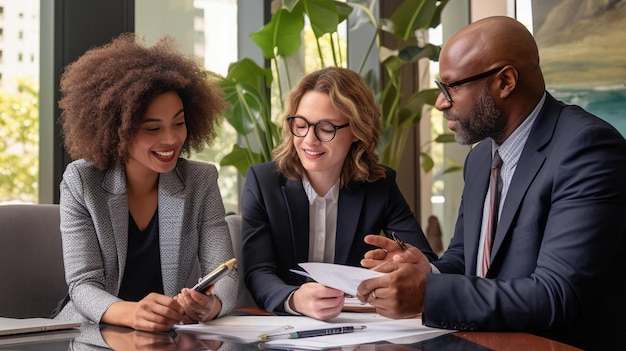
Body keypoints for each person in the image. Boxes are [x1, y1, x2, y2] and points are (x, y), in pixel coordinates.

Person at [356, 16, 626, 350]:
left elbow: (556, 295)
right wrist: (428, 272)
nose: (441, 102)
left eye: (450, 87)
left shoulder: (587, 149)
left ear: (505, 81)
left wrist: (428, 293)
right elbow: (465, 259)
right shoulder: (481, 157)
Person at [54, 33, 239, 332]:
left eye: (178, 123)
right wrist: (132, 313)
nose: (170, 139)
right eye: (152, 128)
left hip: (165, 335)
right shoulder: (82, 181)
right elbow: (82, 285)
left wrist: (211, 305)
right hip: (92, 331)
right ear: (118, 130)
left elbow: (226, 273)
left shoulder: (200, 180)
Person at [240, 67, 437, 320]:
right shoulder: (263, 182)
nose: (309, 140)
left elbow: (422, 260)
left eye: (326, 128)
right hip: (285, 327)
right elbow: (258, 270)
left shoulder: (380, 184)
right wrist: (294, 299)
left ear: (357, 130)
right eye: (300, 125)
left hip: (358, 326)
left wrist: (399, 263)